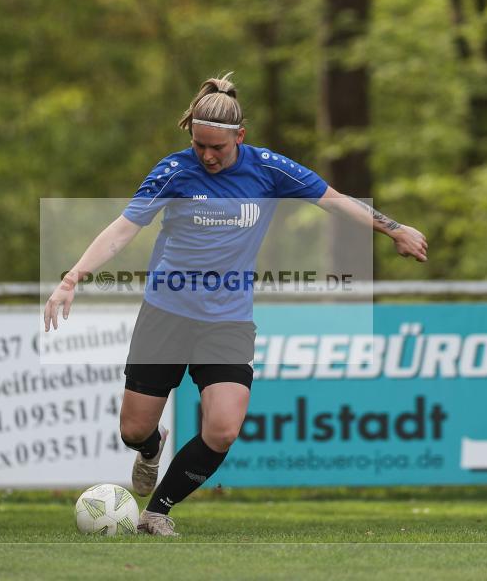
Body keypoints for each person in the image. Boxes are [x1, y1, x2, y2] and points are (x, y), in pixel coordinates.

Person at [43, 73, 427, 536]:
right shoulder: (174, 171)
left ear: (239, 137)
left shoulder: (269, 169)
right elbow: (125, 228)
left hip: (227, 320)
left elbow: (335, 200)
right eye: (199, 145)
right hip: (166, 313)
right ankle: (149, 448)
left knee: (223, 428)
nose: (206, 156)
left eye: (217, 149)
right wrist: (73, 276)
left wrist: (395, 230)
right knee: (133, 429)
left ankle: (157, 510)